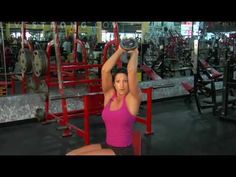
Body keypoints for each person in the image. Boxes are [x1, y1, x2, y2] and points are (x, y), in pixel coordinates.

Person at [66, 45, 142, 155]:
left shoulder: (133, 98)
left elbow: (131, 71)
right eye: (118, 81)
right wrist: (120, 50)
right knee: (70, 154)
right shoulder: (109, 96)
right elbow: (105, 70)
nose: (122, 85)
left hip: (123, 151)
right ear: (114, 84)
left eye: (125, 81)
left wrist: (135, 53)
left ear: (129, 83)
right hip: (107, 145)